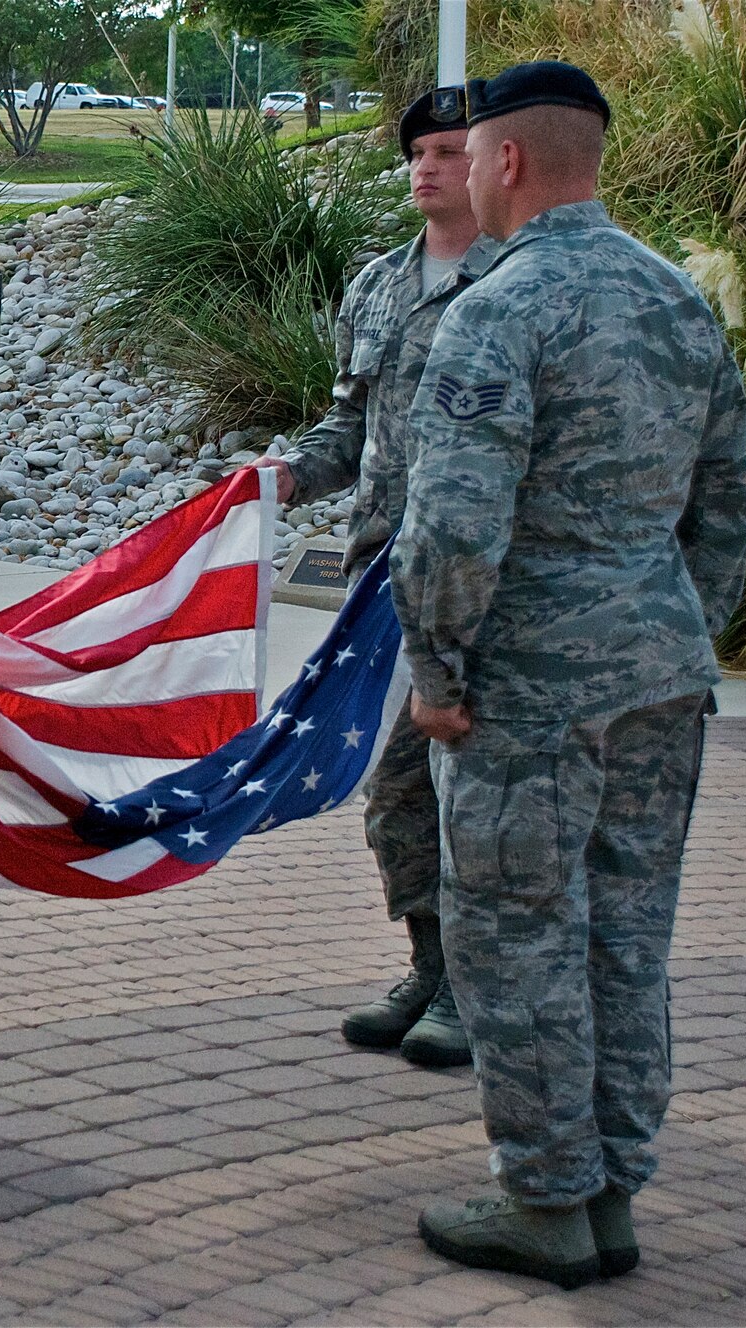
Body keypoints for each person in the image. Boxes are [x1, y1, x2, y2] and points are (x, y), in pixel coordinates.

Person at [391, 61, 746, 1288]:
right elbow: (727, 501)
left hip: (526, 692)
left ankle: (543, 1196)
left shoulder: (499, 309)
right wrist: (668, 625)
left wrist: (435, 663)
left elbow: (448, 525)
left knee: (513, 934)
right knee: (627, 931)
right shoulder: (674, 303)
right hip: (657, 677)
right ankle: (607, 1189)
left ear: (503, 161)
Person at [257, 88, 495, 1070]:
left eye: (447, 151)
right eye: (416, 153)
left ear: (491, 162)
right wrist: (285, 472)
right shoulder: (377, 287)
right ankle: (428, 963)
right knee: (396, 794)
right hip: (382, 589)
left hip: (486, 588)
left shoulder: (515, 281)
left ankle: (473, 991)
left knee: (472, 796)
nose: (425, 168)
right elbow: (348, 429)